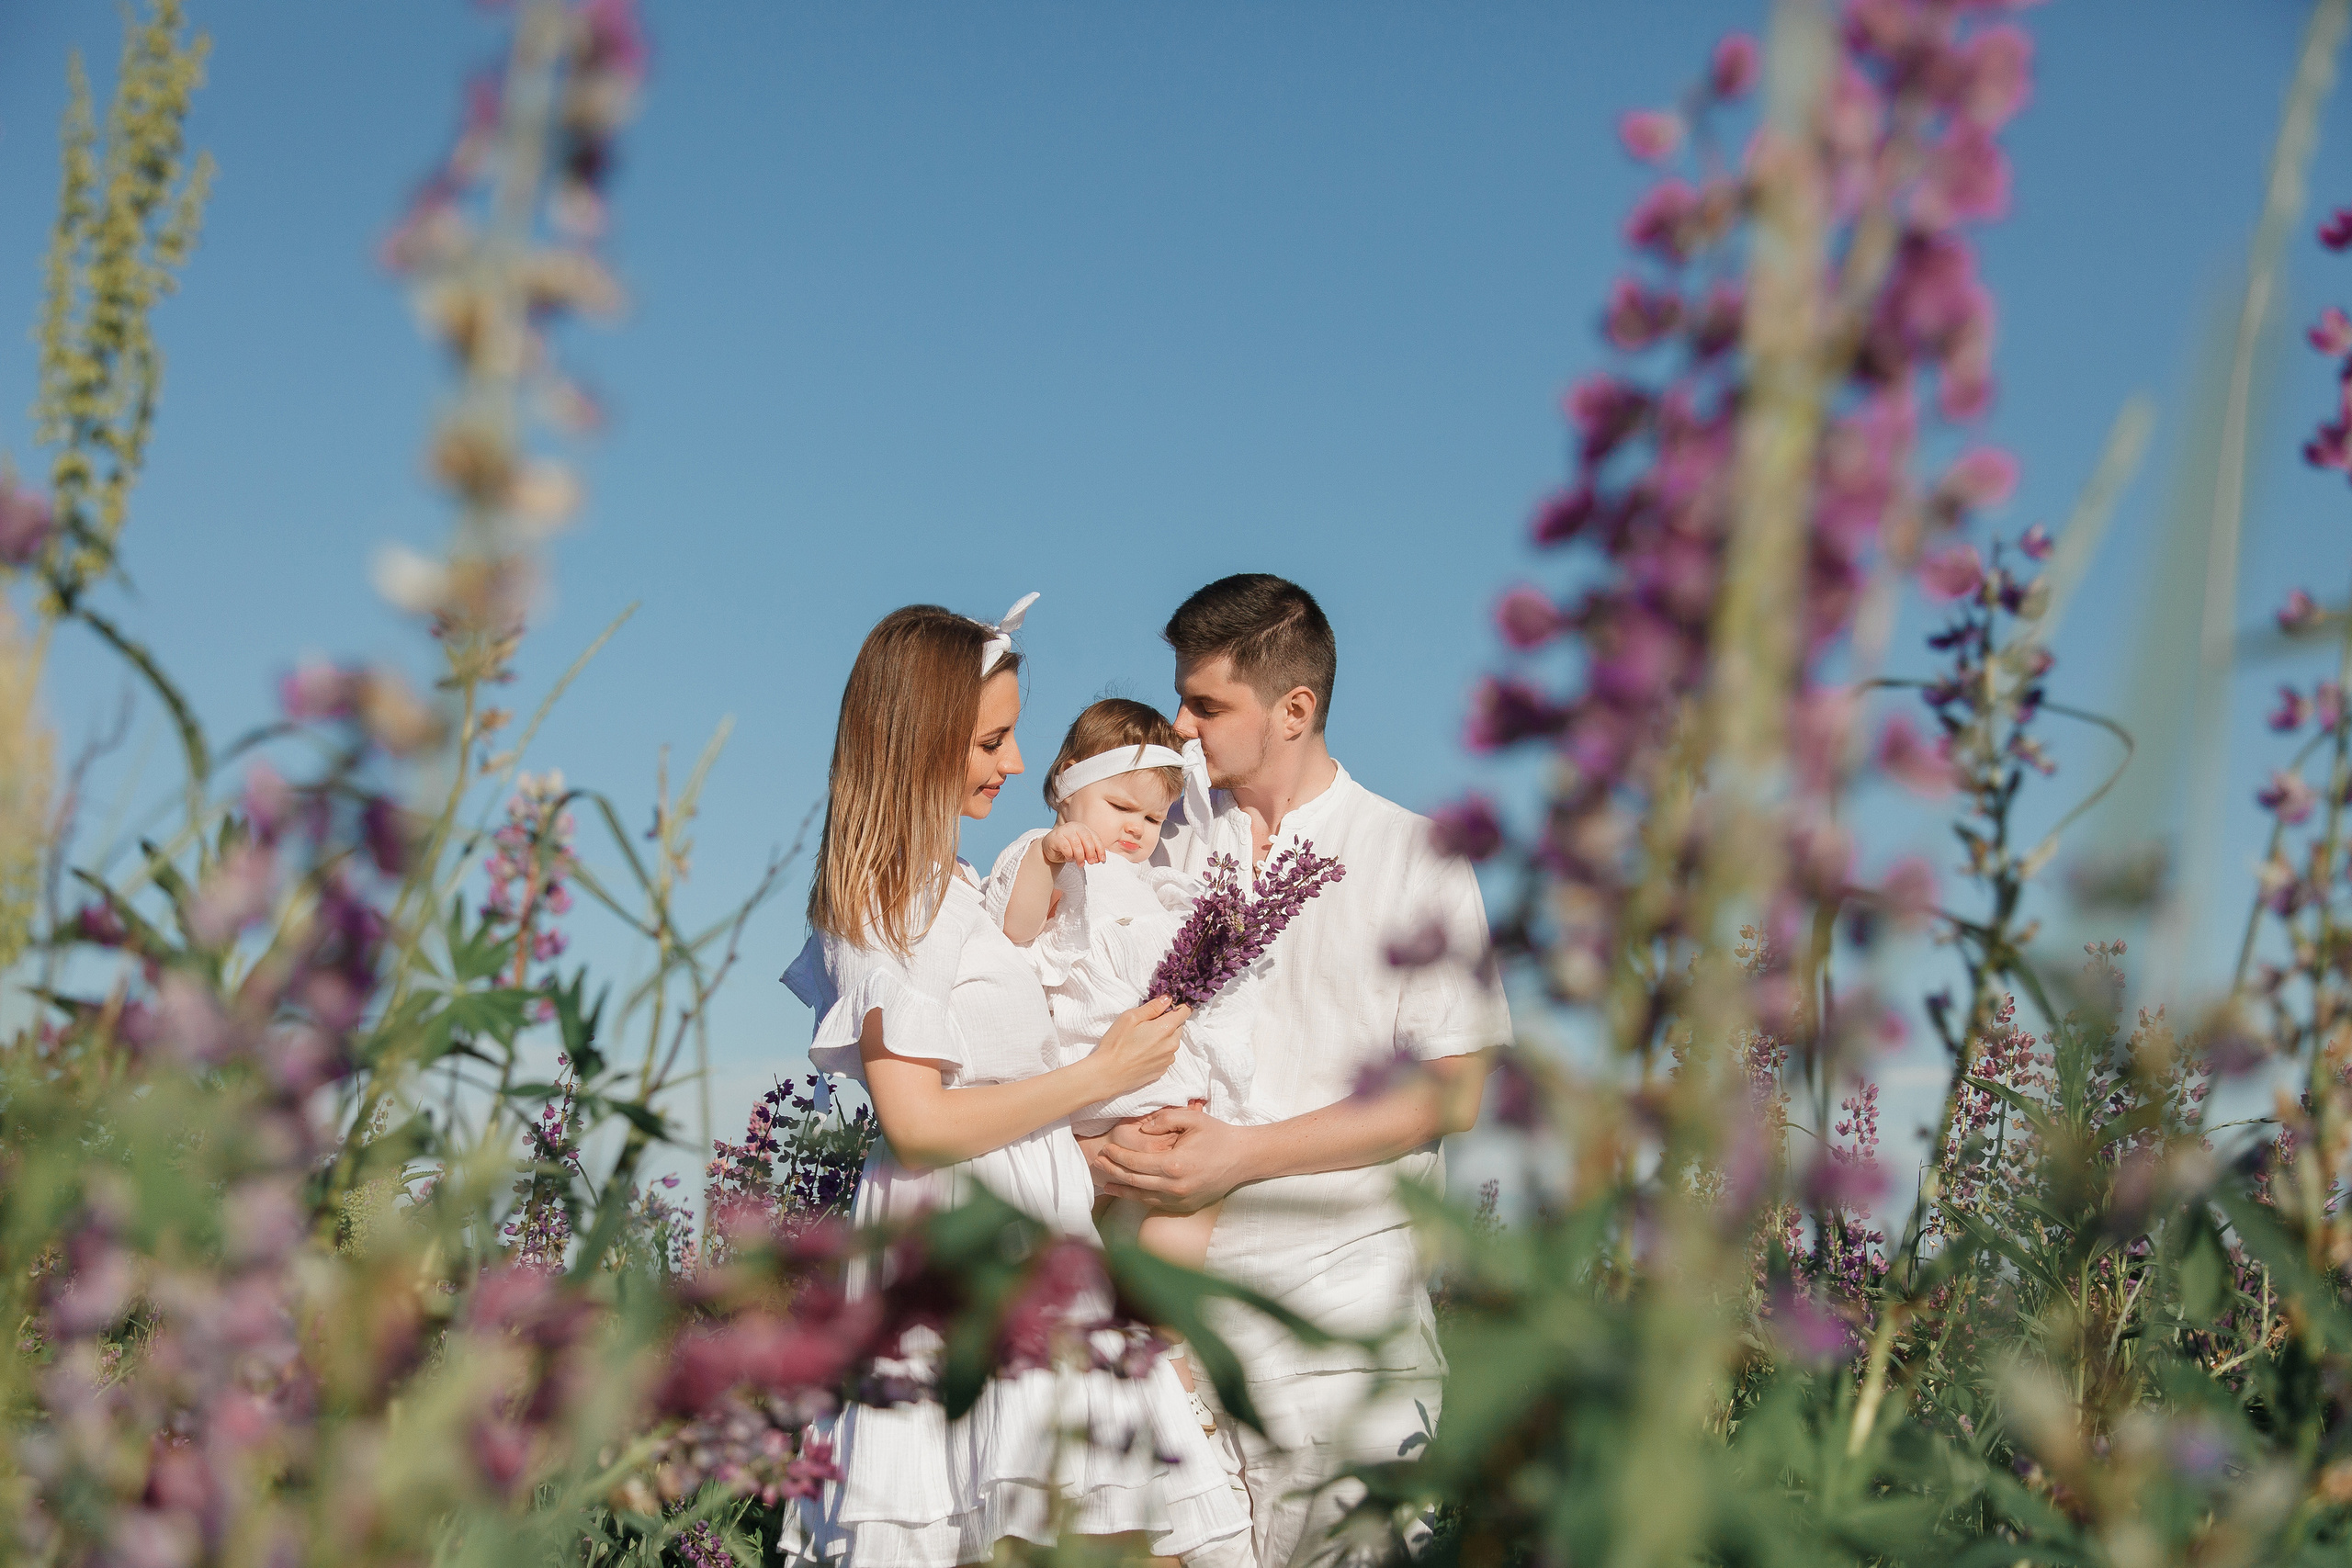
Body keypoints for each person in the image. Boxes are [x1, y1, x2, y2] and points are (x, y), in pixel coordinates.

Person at [780, 599, 1253, 1568]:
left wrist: (1085, 1148)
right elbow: (916, 1123)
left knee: (1096, 1528)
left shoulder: (949, 883)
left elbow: (987, 1090)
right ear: (920, 737)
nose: (1010, 763)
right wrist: (1102, 1071)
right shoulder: (890, 893)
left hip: (1024, 1229)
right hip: (966, 1257)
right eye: (990, 740)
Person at [1087, 574, 1510, 1568]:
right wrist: (1091, 1153)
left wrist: (1244, 1157)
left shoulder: (1415, 857)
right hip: (1160, 1332)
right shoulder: (1154, 846)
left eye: (1206, 705)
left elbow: (1454, 1089)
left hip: (1341, 1332)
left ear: (1295, 709)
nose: (1180, 729)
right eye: (1181, 699)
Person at [979, 697, 1268, 1429]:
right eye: (1120, 806)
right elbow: (1011, 930)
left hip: (1155, 1092)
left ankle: (1162, 1355)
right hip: (1080, 1086)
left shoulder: (1154, 880)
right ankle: (1095, 1365)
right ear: (1067, 780)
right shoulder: (1041, 852)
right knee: (1069, 1236)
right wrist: (1050, 855)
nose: (1137, 829)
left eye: (1154, 816)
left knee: (1176, 1211)